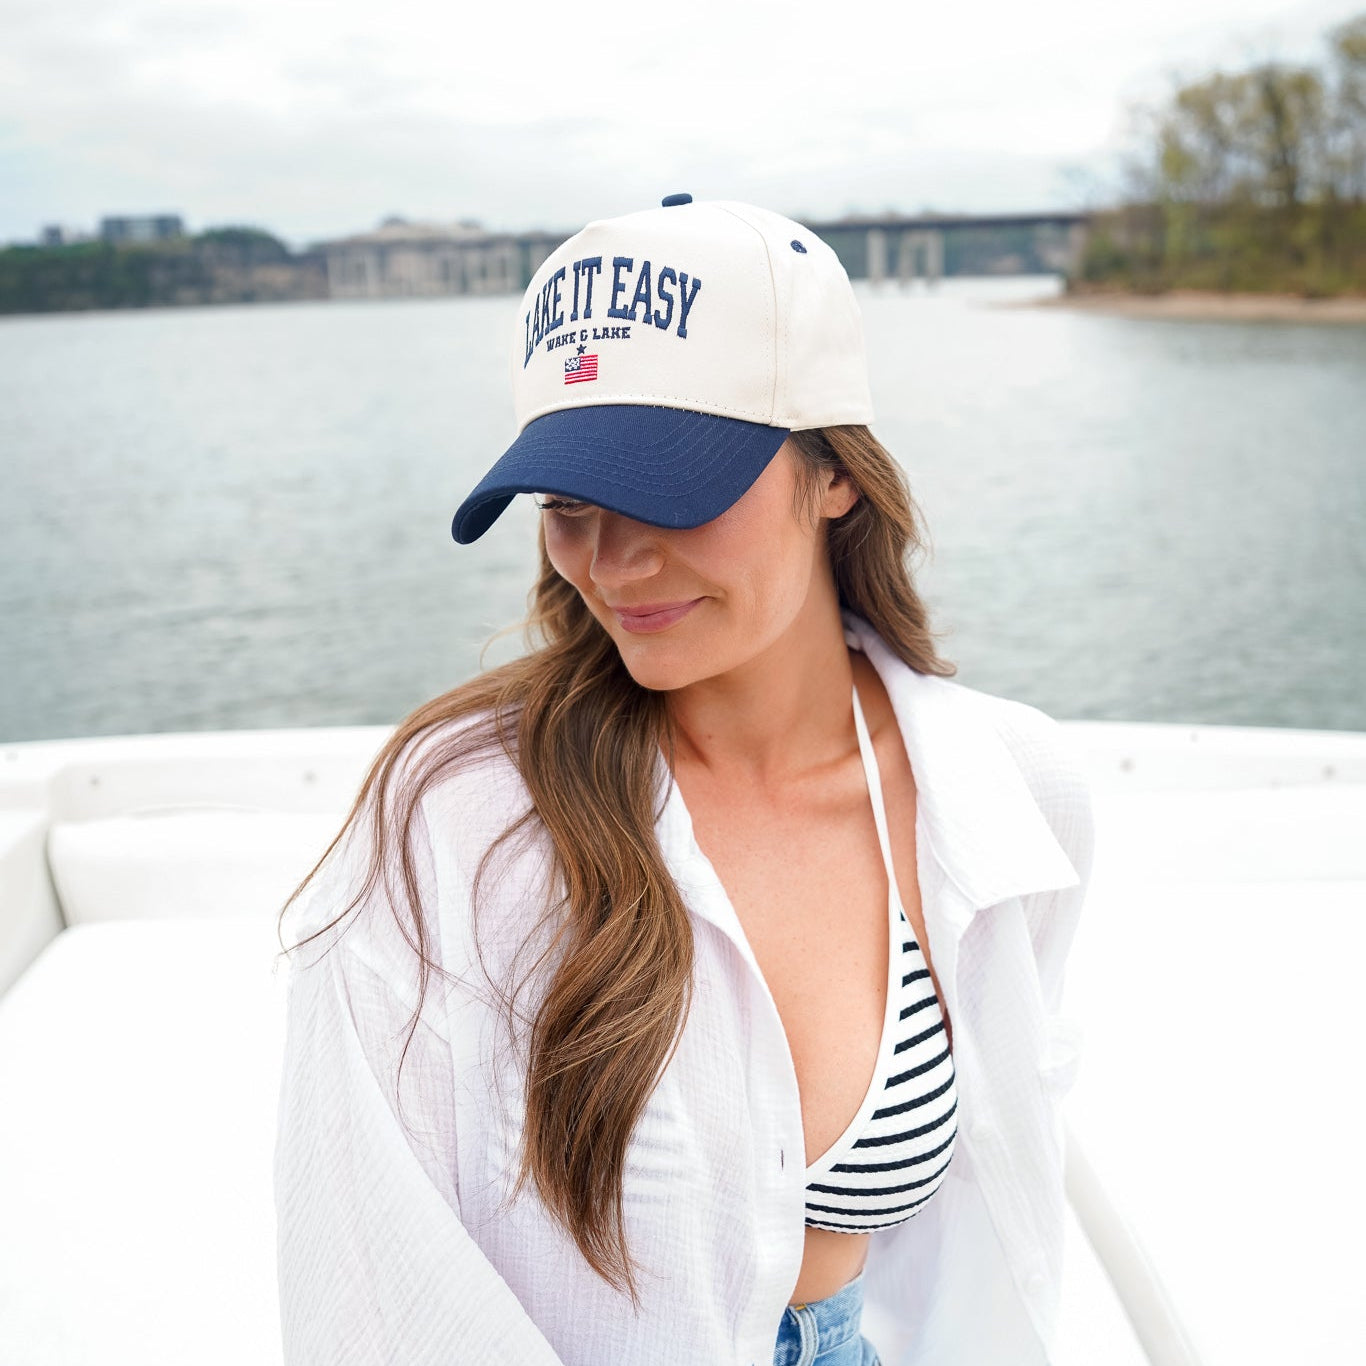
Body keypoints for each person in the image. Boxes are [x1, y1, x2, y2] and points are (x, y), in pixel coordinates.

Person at [274, 196, 1095, 1366]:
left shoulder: (1009, 790)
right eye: (567, 504)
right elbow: (371, 1292)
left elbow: (982, 1229)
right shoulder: (454, 818)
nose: (612, 562)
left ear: (834, 477)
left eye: (669, 488)